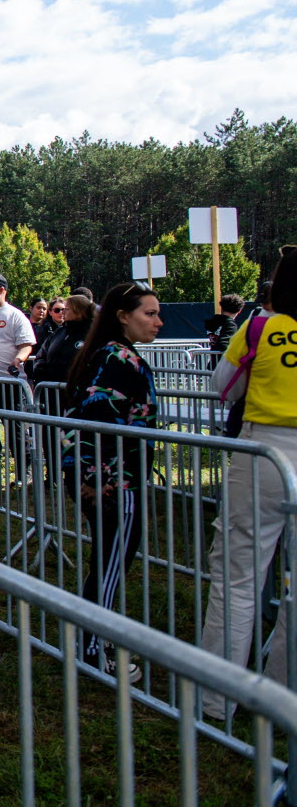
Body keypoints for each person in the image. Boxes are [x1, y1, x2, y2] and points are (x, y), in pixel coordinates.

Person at [199, 247, 297, 720]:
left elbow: (222, 386)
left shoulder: (259, 327)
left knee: (237, 576)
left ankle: (217, 700)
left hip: (266, 452)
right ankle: (283, 693)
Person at [60, 281, 163, 682]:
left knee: (107, 560)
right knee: (109, 563)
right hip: (114, 482)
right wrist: (93, 481)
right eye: (149, 314)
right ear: (122, 317)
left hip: (108, 479)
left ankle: (93, 644)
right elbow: (95, 422)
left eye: (157, 313)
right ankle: (91, 651)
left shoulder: (108, 354)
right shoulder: (117, 358)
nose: (158, 321)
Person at [33, 293, 93, 385]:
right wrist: (41, 376)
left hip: (77, 392)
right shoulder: (59, 332)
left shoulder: (91, 335)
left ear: (79, 312)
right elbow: (41, 355)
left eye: (67, 309)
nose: (63, 312)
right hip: (50, 391)